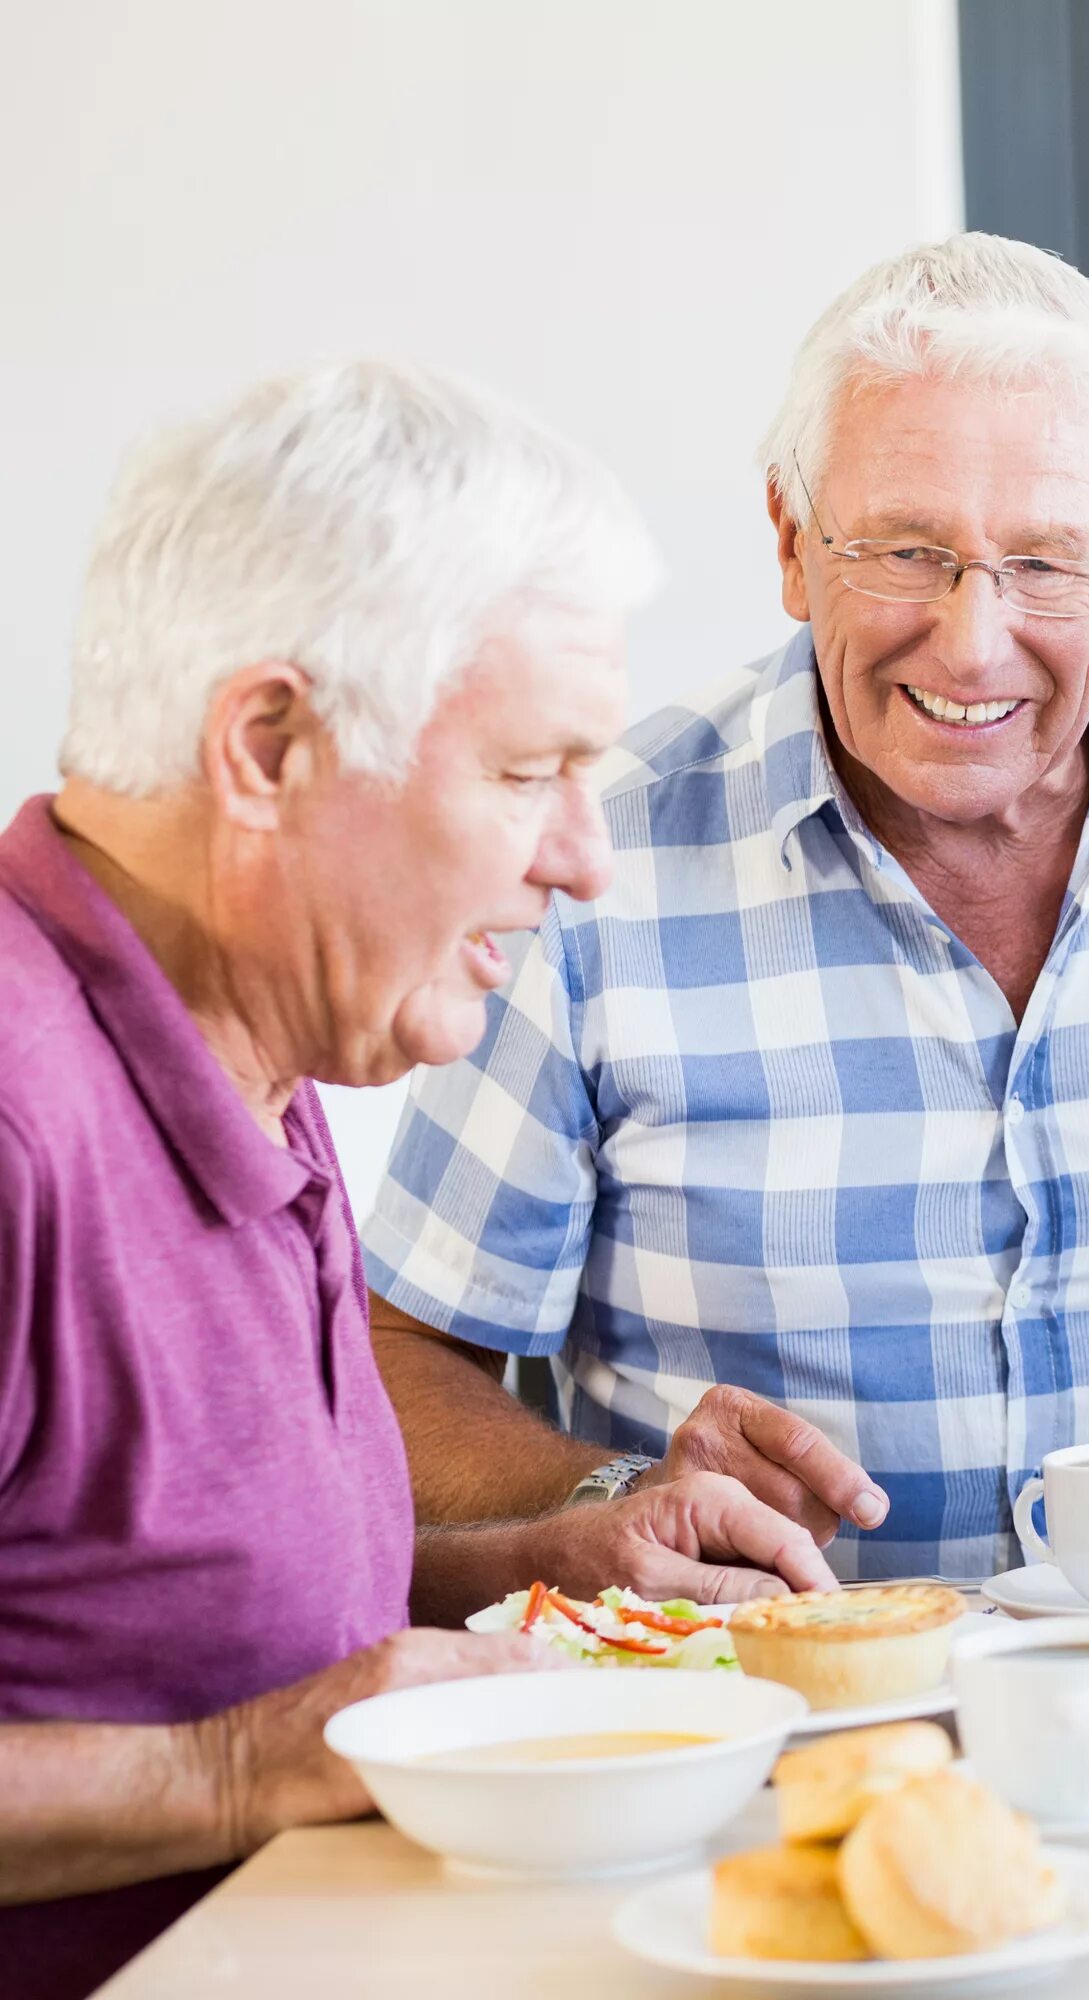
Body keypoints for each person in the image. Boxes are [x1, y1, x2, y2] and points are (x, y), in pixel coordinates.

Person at [361, 234, 1089, 1580]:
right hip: (762, 1725)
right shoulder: (596, 856)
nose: (973, 638)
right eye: (905, 550)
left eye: (1048, 563)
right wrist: (618, 1491)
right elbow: (396, 1359)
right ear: (790, 541)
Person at [0, 362, 837, 2000]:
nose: (585, 857)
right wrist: (227, 1778)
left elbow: (168, 1606)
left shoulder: (252, 1031)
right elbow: (226, 1724)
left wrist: (543, 1553)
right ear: (267, 747)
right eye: (530, 775)